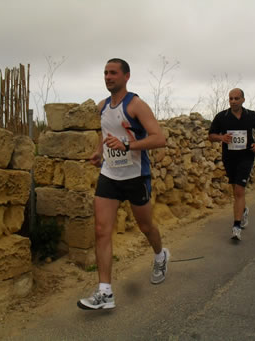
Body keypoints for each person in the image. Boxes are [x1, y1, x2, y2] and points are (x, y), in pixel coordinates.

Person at [77, 58, 170, 310]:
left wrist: (128, 145)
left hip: (136, 176)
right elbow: (107, 134)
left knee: (145, 225)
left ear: (126, 76)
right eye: (105, 73)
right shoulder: (102, 107)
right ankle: (105, 292)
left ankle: (160, 255)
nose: (108, 77)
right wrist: (100, 152)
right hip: (110, 175)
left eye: (113, 73)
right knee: (101, 230)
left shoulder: (136, 105)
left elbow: (159, 138)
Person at [208, 88, 255, 241]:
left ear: (243, 100)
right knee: (236, 191)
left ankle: (236, 227)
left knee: (239, 190)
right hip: (229, 157)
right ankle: (244, 210)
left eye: (236, 98)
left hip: (246, 157)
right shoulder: (222, 117)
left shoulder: (251, 115)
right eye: (231, 98)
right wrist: (221, 137)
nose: (233, 101)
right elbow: (211, 136)